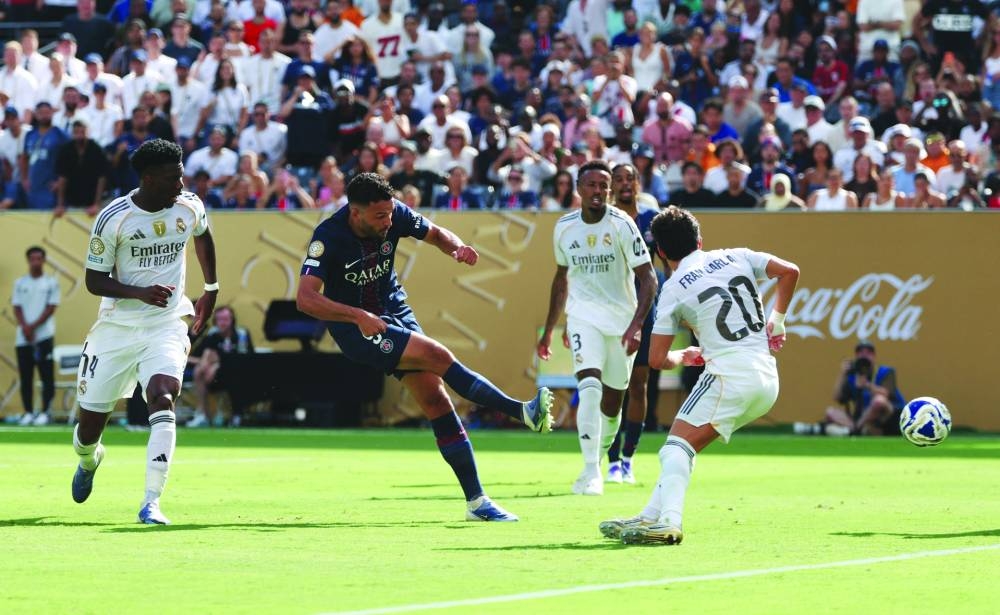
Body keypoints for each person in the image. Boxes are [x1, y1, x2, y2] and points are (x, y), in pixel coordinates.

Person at [296, 172, 553, 521]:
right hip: (358, 329)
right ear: (355, 213)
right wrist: (357, 316)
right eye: (379, 217)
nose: (388, 221)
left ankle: (477, 503)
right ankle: (521, 411)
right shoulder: (328, 236)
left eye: (389, 214)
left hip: (395, 311)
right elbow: (306, 299)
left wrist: (456, 247)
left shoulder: (393, 212)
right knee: (438, 356)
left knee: (435, 398)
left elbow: (434, 233)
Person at [601, 205, 800, 545]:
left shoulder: (674, 288)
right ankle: (651, 514)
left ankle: (668, 522)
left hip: (729, 375)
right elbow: (790, 271)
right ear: (700, 240)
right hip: (766, 378)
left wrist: (685, 354)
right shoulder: (737, 256)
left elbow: (657, 358)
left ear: (660, 252)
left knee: (673, 449)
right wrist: (777, 320)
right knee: (684, 448)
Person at [70, 139, 218, 525]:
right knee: (88, 430)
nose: (180, 184)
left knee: (162, 396)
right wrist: (138, 292)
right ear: (149, 179)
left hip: (165, 323)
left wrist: (211, 290)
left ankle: (151, 501)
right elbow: (93, 280)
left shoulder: (188, 205)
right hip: (116, 328)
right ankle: (89, 460)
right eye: (173, 178)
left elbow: (202, 234)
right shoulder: (114, 217)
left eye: (182, 175)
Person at [537, 160, 657, 496]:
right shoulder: (564, 227)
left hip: (621, 321)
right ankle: (590, 471)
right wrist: (550, 329)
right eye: (591, 185)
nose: (598, 191)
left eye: (603, 186)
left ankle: (602, 454)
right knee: (589, 386)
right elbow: (561, 278)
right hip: (583, 317)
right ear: (578, 187)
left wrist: (636, 326)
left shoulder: (623, 225)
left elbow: (647, 278)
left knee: (612, 403)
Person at [603, 163, 664, 484]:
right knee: (611, 385)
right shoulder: (604, 220)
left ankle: (628, 458)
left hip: (644, 309)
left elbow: (665, 262)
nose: (625, 184)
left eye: (630, 179)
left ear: (639, 184)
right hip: (610, 310)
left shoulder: (651, 219)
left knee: (639, 384)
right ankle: (610, 460)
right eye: (619, 180)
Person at [807, 340, 906, 437]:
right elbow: (837, 397)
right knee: (830, 412)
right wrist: (842, 374)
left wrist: (867, 385)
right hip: (864, 418)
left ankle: (852, 430)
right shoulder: (852, 376)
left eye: (868, 353)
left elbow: (886, 394)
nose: (864, 355)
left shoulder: (885, 371)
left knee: (878, 401)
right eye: (860, 352)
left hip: (889, 415)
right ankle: (855, 430)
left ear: (874, 356)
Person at [12, 247, 61, 426]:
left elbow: (51, 308)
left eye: (39, 258)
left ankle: (45, 412)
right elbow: (16, 307)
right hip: (23, 338)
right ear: (28, 260)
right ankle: (28, 412)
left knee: (46, 376)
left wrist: (33, 327)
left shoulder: (51, 283)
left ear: (44, 260)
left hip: (43, 337)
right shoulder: (20, 283)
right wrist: (25, 328)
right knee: (26, 376)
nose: (35, 262)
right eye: (32, 259)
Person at [189, 306, 254, 427]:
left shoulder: (241, 335)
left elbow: (248, 359)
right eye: (220, 319)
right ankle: (203, 414)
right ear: (215, 321)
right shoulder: (212, 336)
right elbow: (201, 357)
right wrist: (209, 363)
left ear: (232, 320)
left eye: (226, 319)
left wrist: (218, 363)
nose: (223, 323)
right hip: (213, 378)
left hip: (239, 376)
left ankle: (232, 414)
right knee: (199, 370)